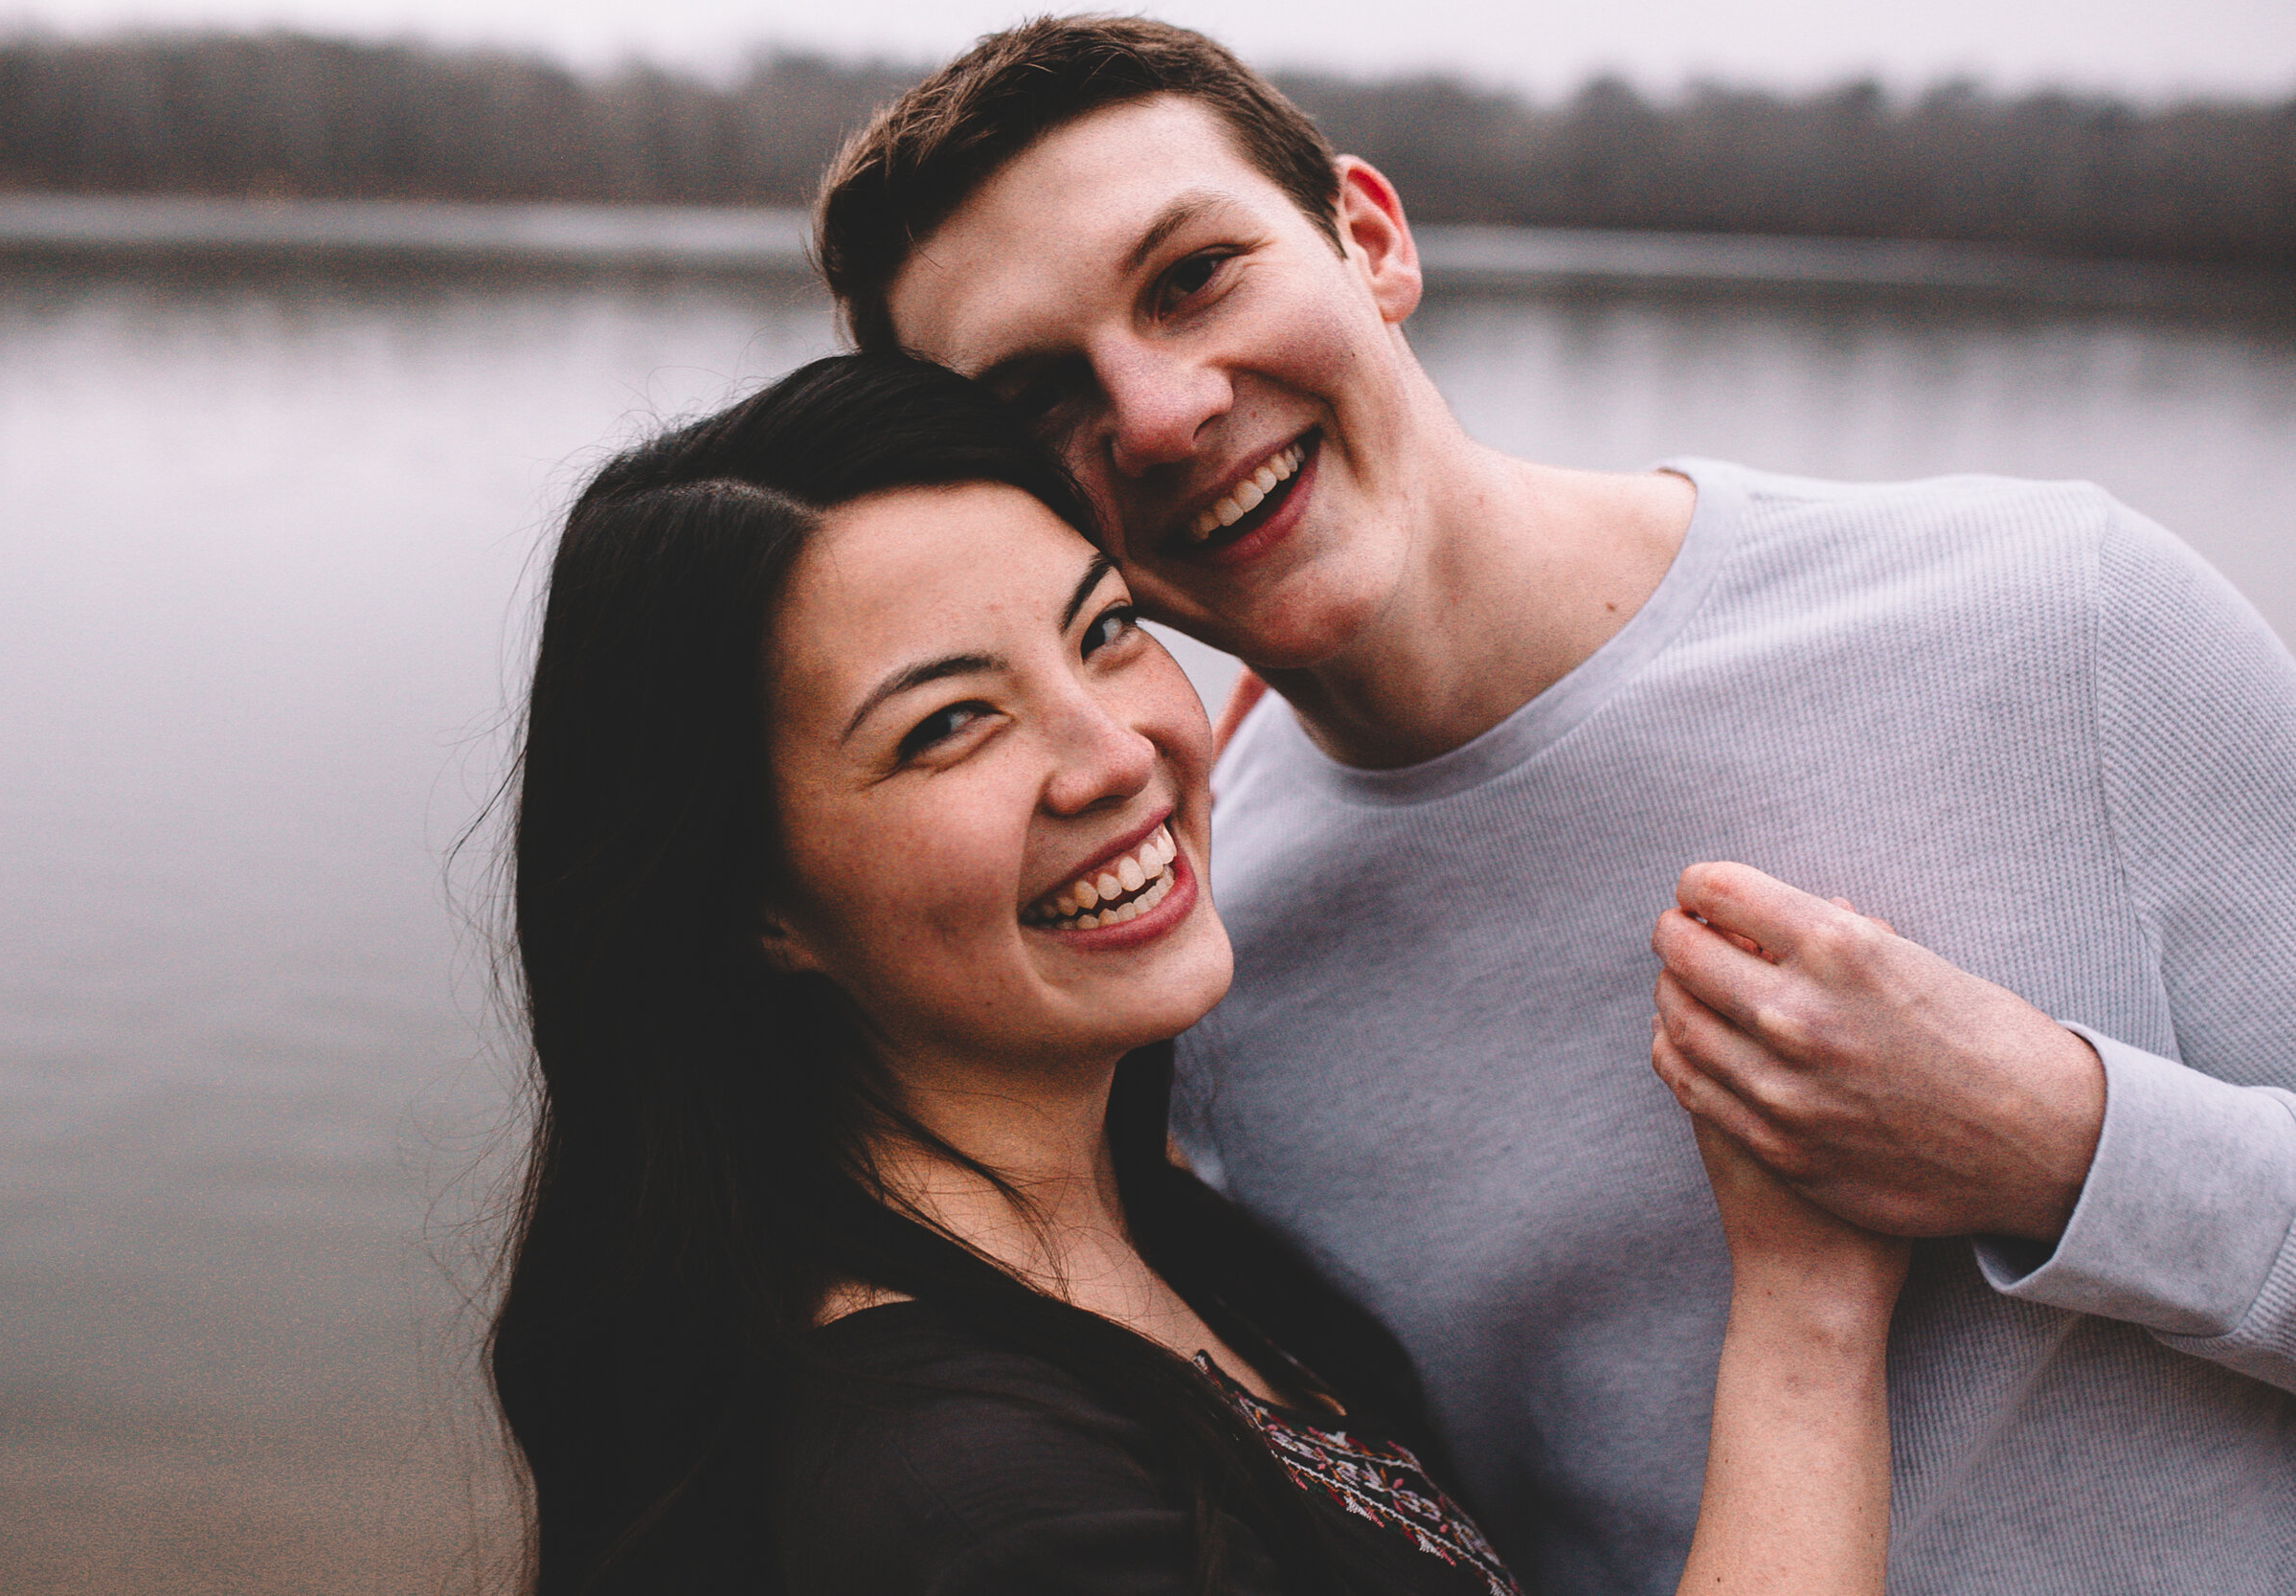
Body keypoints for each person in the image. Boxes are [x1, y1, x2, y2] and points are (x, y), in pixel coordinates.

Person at [810, 17, 2296, 1595]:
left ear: (1369, 239)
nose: (1163, 410)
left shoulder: (2056, 617)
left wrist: (2060, 1146)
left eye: (1194, 277)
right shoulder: (1189, 949)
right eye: (1043, 395)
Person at [487, 351, 1910, 1595]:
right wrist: (1809, 1311)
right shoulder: (980, 1506)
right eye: (949, 726)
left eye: (1104, 633)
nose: (1118, 751)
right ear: (753, 902)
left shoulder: (1154, 1238)